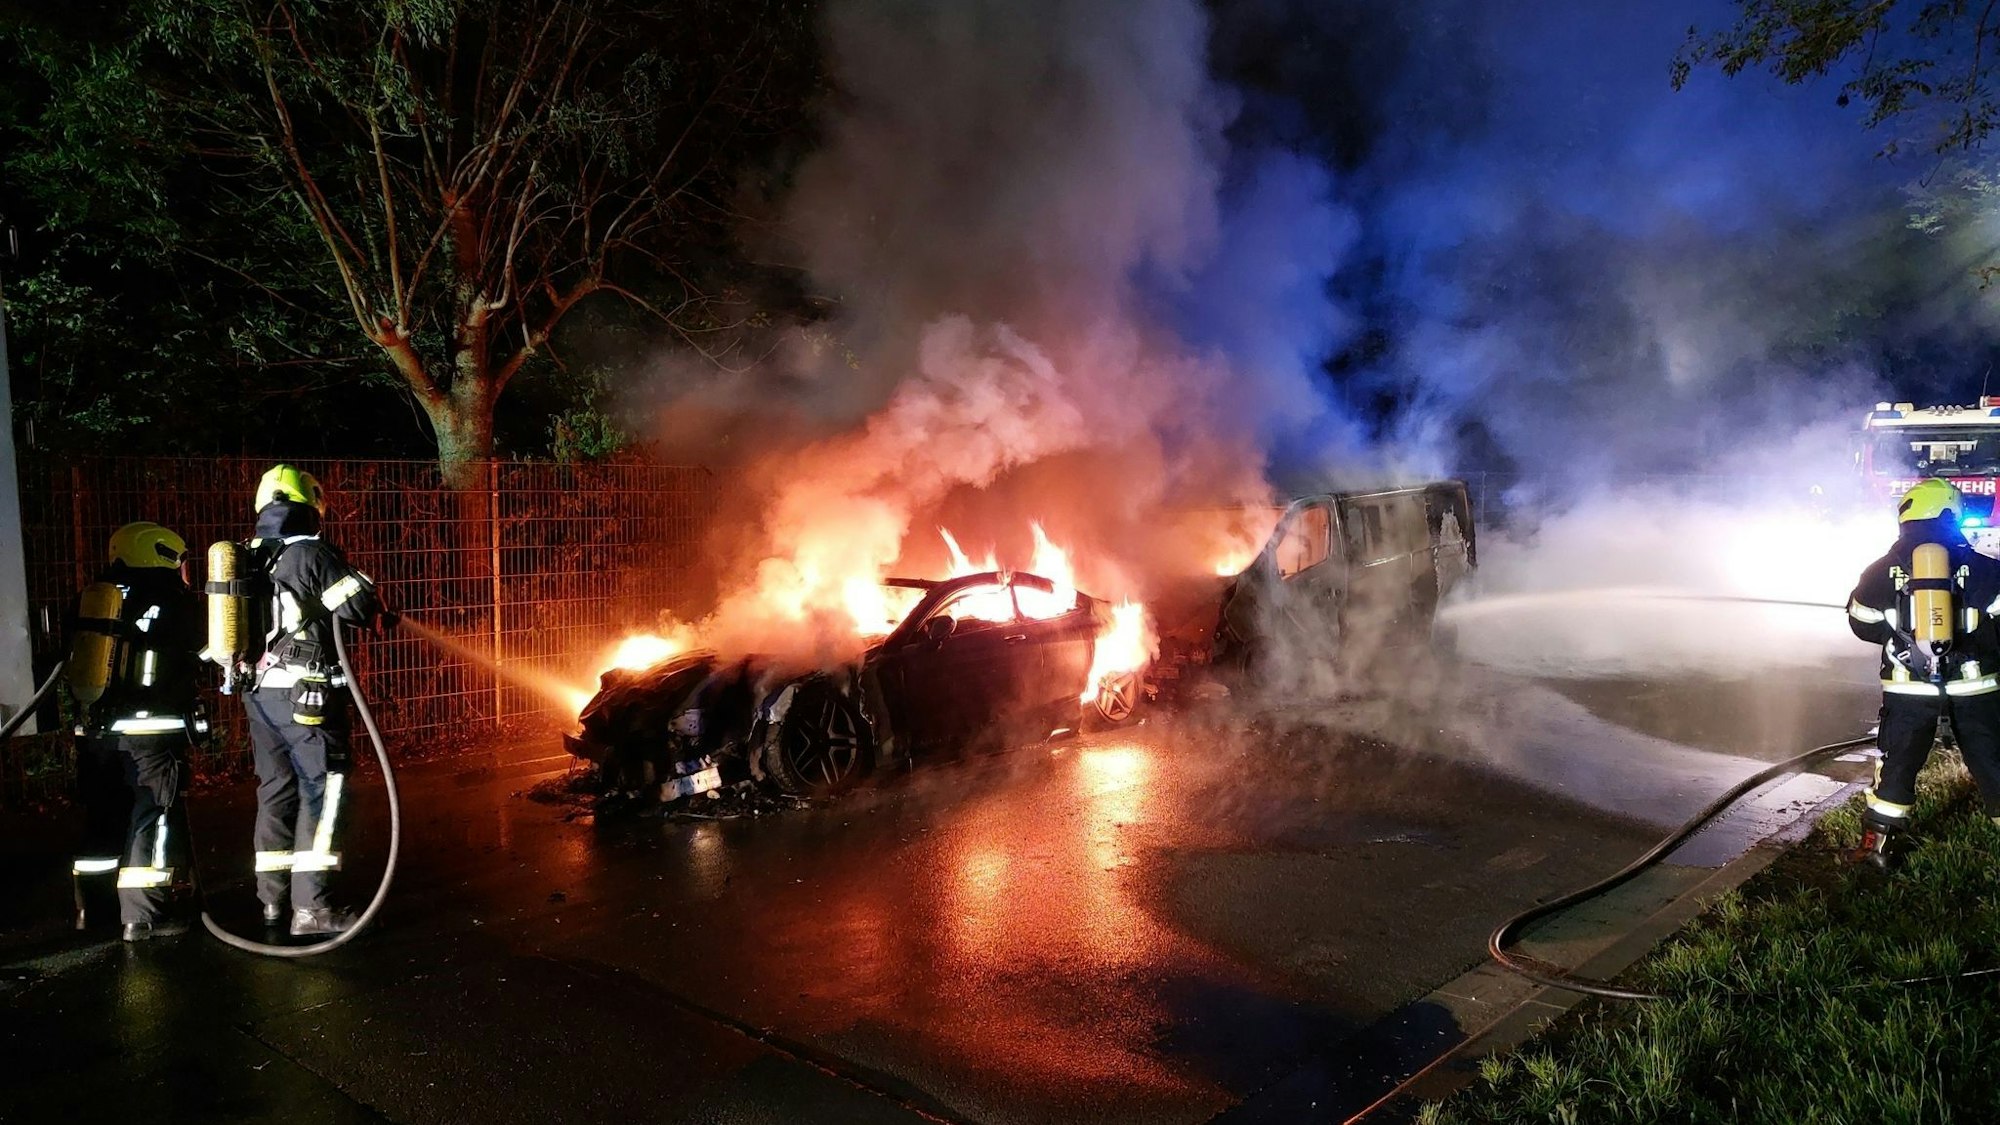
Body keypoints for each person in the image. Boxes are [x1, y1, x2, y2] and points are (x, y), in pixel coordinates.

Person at [238, 464, 387, 935]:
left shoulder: (249, 554)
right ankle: (314, 908)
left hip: (260, 695)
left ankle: (272, 903)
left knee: (276, 790)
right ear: (309, 503)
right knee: (323, 790)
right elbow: (359, 607)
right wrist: (361, 584)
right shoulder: (310, 553)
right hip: (308, 694)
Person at [1846, 478, 2000, 868]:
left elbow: (1861, 623)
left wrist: (1898, 635)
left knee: (1897, 761)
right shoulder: (1986, 569)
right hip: (1974, 686)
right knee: (1992, 757)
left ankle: (1876, 847)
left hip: (1908, 688)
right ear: (1950, 514)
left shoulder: (1880, 570)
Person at [68, 522, 204, 941]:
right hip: (151, 732)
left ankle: (93, 911)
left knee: (102, 818)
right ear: (161, 553)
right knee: (153, 815)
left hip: (94, 733)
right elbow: (207, 648)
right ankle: (144, 915)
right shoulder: (172, 600)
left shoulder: (92, 599)